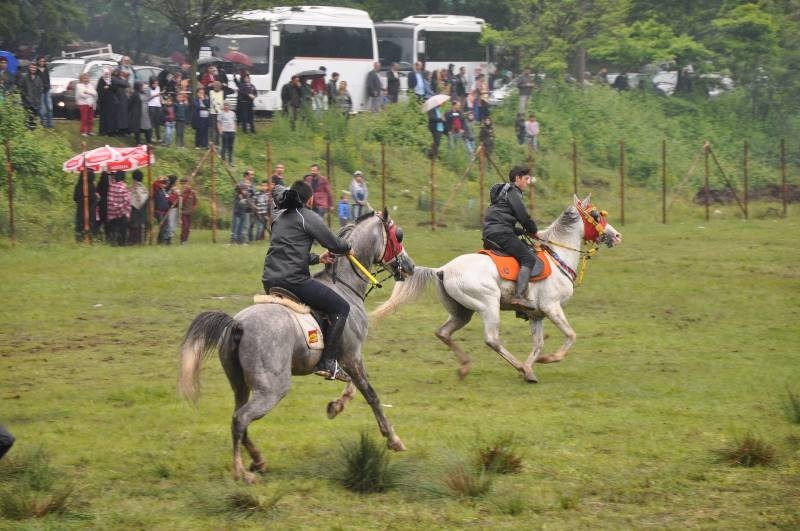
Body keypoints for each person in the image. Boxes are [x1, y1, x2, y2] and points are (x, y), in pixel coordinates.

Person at [262, 180, 352, 381]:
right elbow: (334, 244)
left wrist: (318, 258)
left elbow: (290, 250)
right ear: (310, 200)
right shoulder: (308, 217)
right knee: (341, 308)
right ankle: (328, 363)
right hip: (294, 282)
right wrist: (348, 247)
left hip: (269, 280)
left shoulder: (278, 215)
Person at [483, 166, 541, 310]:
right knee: (528, 258)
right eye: (526, 178)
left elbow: (501, 218)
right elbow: (522, 215)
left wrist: (520, 231)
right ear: (517, 178)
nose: (528, 182)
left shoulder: (502, 194)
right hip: (502, 233)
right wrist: (533, 230)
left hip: (490, 233)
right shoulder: (513, 192)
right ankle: (520, 297)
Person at [106, 171, 131, 246]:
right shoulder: (124, 186)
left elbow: (109, 199)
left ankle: (113, 243)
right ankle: (122, 243)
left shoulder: (111, 186)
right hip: (122, 212)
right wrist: (123, 209)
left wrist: (114, 206)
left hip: (112, 212)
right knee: (122, 230)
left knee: (113, 229)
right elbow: (127, 200)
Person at [231, 170, 255, 244]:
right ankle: (235, 240)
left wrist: (253, 205)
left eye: (252, 175)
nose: (252, 176)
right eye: (250, 174)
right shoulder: (240, 183)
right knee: (237, 224)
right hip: (239, 208)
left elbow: (252, 194)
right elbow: (237, 191)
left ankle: (243, 240)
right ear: (246, 175)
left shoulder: (252, 185)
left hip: (248, 208)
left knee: (246, 226)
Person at [73, 169, 97, 241]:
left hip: (80, 209)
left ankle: (80, 239)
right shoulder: (91, 186)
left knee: (80, 225)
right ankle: (88, 239)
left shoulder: (78, 185)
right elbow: (93, 199)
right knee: (89, 224)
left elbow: (75, 198)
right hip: (90, 210)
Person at [18, 62, 43, 130]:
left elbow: (40, 90)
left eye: (34, 68)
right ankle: (26, 132)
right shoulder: (24, 77)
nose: (33, 69)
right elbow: (21, 88)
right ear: (29, 68)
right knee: (27, 118)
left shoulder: (38, 78)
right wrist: (25, 97)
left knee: (34, 119)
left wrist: (38, 100)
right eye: (32, 67)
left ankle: (33, 132)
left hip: (35, 103)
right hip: (27, 103)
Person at [128, 81, 152, 145]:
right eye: (141, 86)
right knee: (137, 128)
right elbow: (130, 104)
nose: (143, 87)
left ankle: (148, 142)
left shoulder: (144, 93)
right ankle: (138, 142)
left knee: (148, 126)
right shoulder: (134, 94)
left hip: (145, 113)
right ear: (138, 86)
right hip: (138, 114)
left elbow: (147, 100)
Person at [128, 169, 148, 245]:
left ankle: (133, 241)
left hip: (134, 210)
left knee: (134, 226)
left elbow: (130, 198)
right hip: (143, 210)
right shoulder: (144, 188)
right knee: (140, 226)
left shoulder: (134, 188)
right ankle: (141, 241)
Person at [179, 177, 198, 245]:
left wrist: (194, 209)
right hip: (183, 212)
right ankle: (183, 240)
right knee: (185, 227)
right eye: (183, 184)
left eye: (186, 183)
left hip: (190, 213)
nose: (185, 185)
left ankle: (186, 240)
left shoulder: (193, 192)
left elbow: (195, 202)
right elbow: (180, 203)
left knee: (188, 228)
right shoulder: (181, 193)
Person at [218, 101, 237, 165]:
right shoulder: (221, 113)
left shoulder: (233, 113)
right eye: (225, 105)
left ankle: (230, 161)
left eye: (227, 105)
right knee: (224, 146)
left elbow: (234, 122)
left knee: (231, 147)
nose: (226, 106)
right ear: (223, 106)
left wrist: (235, 130)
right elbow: (219, 122)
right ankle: (223, 160)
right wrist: (220, 131)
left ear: (229, 106)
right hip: (225, 131)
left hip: (231, 132)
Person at [36, 56, 53, 128]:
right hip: (40, 91)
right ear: (38, 62)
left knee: (50, 107)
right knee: (42, 108)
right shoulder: (36, 70)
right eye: (41, 61)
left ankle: (50, 124)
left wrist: (48, 86)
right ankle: (43, 123)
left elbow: (48, 79)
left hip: (47, 90)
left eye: (43, 61)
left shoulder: (46, 69)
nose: (42, 63)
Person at [146, 76, 163, 143]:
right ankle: (150, 137)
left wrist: (162, 100)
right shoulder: (148, 89)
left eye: (157, 83)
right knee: (151, 123)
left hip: (158, 106)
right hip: (151, 106)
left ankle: (158, 137)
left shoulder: (158, 87)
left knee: (157, 123)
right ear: (151, 83)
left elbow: (160, 96)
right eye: (154, 83)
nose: (156, 85)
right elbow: (147, 98)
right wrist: (155, 96)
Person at [208, 80, 225, 145]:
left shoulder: (223, 92)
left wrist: (223, 85)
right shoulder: (210, 92)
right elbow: (205, 89)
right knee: (212, 128)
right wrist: (211, 85)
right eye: (215, 85)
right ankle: (211, 142)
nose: (216, 86)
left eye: (218, 85)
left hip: (220, 113)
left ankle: (217, 142)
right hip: (213, 113)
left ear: (220, 86)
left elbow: (231, 91)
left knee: (218, 128)